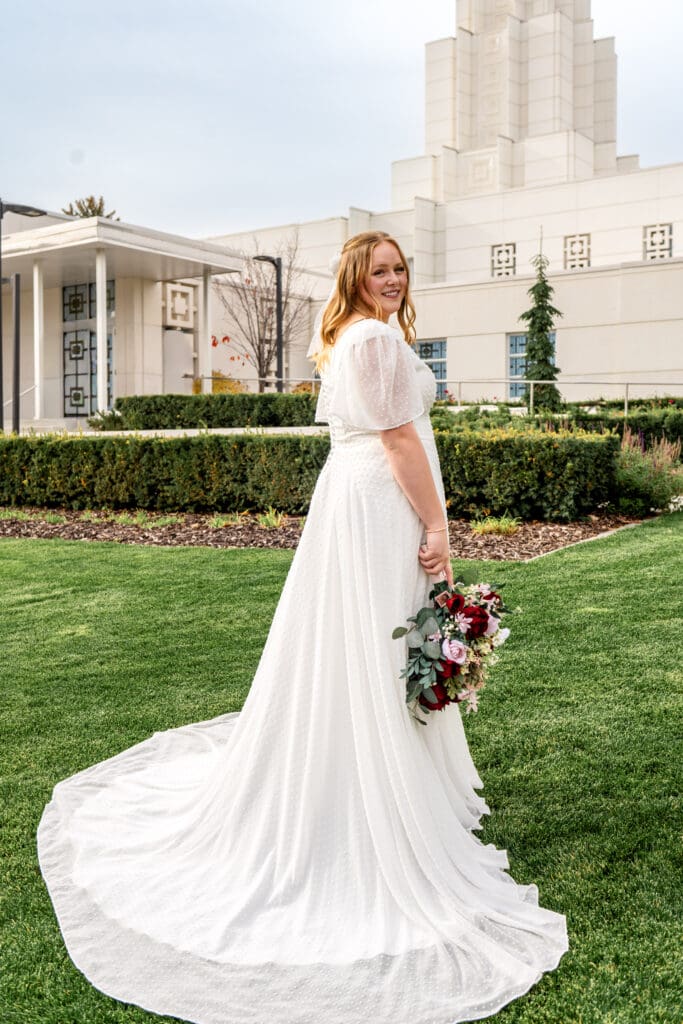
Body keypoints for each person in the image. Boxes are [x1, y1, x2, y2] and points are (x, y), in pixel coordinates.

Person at [38, 230, 568, 1024]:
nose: (392, 280)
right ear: (355, 277)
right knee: (373, 642)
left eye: (398, 269)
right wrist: (438, 528)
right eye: (377, 270)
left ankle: (380, 769)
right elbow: (396, 441)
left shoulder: (356, 337)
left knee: (365, 643)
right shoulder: (372, 341)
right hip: (380, 505)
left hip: (354, 503)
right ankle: (362, 794)